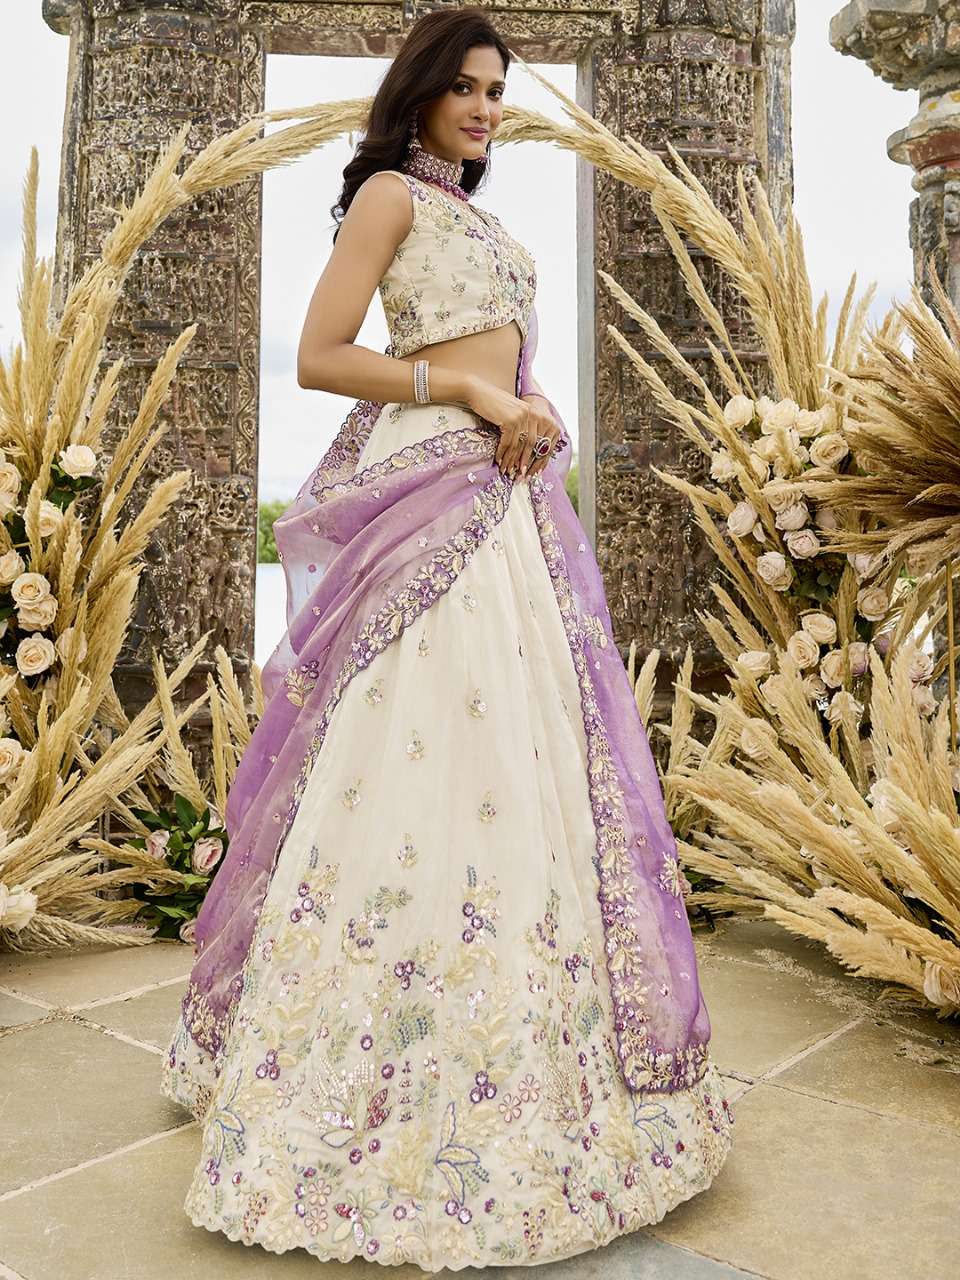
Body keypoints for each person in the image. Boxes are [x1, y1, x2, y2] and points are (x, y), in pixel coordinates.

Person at [160, 7, 733, 1268]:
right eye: (466, 86)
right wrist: (467, 388)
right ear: (418, 90)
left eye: (497, 89)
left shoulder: (481, 217)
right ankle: (352, 1081)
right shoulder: (387, 199)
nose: (485, 107)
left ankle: (534, 1069)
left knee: (527, 761)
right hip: (431, 484)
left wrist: (526, 398)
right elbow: (321, 356)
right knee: (415, 748)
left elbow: (504, 358)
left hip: (508, 498)